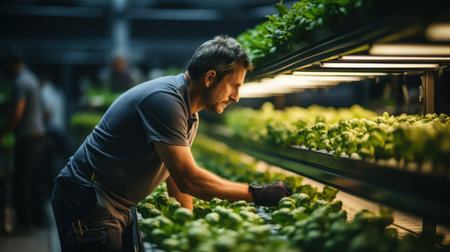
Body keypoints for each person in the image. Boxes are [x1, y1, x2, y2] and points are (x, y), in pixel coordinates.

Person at [51, 35, 292, 251]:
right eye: (234, 86)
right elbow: (190, 179)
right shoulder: (165, 102)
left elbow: (177, 180)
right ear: (210, 78)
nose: (237, 97)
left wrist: (187, 229)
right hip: (89, 197)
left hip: (115, 201)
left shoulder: (190, 113)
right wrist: (257, 194)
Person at [0, 52, 47, 231]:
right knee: (34, 180)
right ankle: (38, 219)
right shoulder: (31, 78)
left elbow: (18, 112)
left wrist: (4, 131)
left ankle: (25, 223)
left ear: (12, 65)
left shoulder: (19, 82)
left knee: (23, 181)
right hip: (38, 136)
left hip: (27, 138)